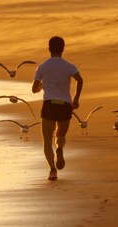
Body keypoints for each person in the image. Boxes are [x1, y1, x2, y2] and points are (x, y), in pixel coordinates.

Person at [32, 36, 84, 181]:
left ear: (49, 48)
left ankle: (53, 170)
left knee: (47, 142)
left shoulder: (42, 67)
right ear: (63, 48)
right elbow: (80, 80)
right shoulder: (69, 66)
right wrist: (76, 98)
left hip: (49, 105)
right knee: (60, 136)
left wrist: (42, 85)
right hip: (65, 106)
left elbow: (34, 89)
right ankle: (60, 149)